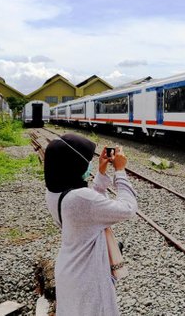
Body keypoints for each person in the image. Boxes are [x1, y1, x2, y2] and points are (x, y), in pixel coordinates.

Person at [44, 134, 137, 316]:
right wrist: (120, 172)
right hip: (87, 276)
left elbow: (89, 210)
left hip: (69, 269)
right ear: (73, 163)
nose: (90, 165)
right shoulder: (80, 199)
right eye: (87, 161)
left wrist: (101, 173)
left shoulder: (54, 193)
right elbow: (128, 209)